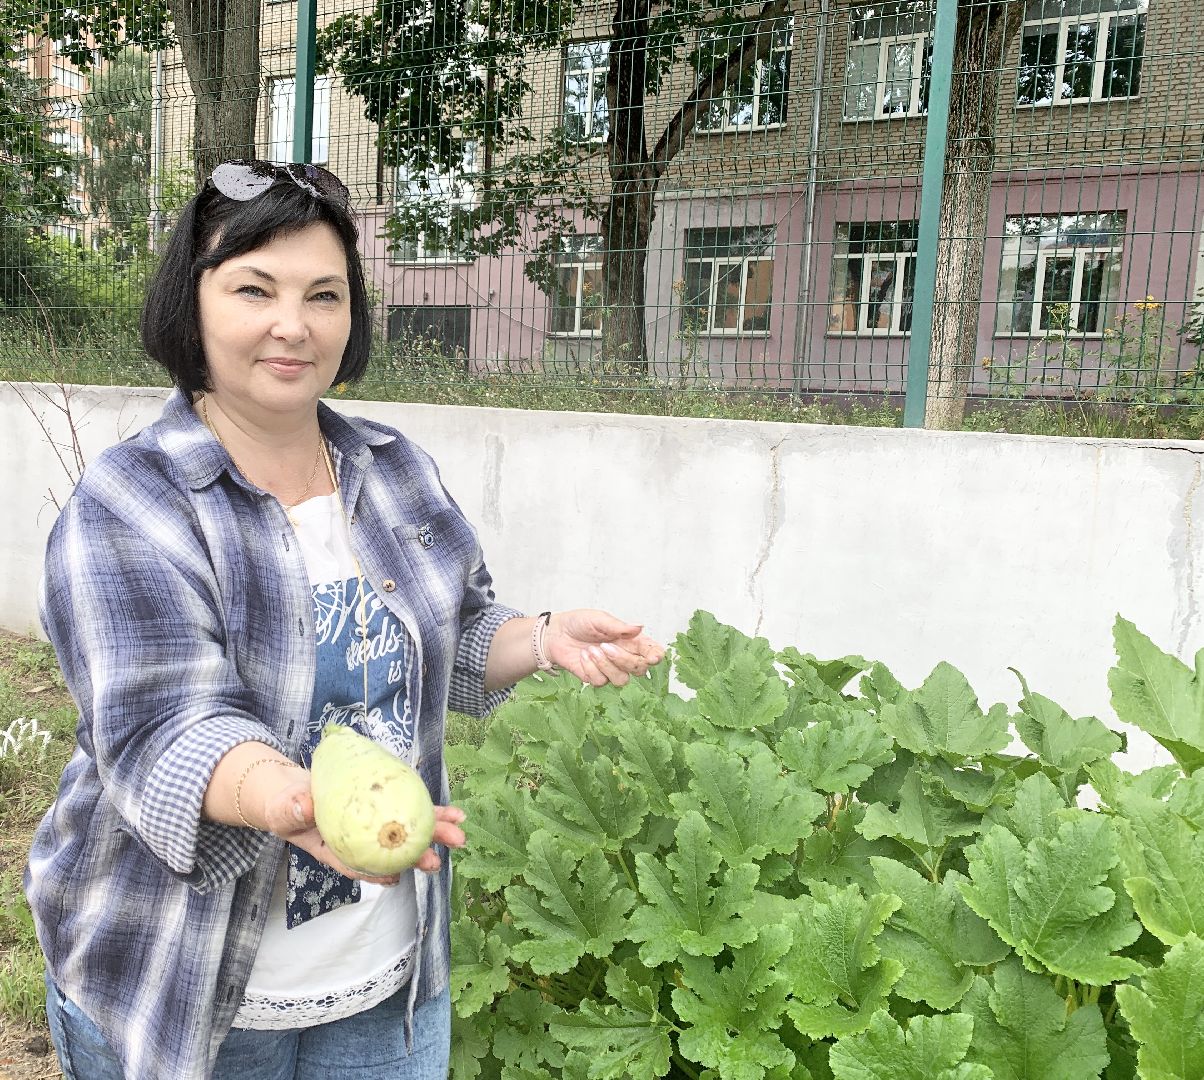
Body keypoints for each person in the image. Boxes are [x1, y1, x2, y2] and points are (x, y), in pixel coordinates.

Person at [26, 159, 665, 1080]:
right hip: (188, 977)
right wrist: (288, 798)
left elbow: (454, 633)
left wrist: (544, 639)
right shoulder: (133, 503)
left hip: (384, 979)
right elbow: (164, 726)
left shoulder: (392, 468)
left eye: (324, 295)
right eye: (255, 288)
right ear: (192, 302)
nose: (294, 324)